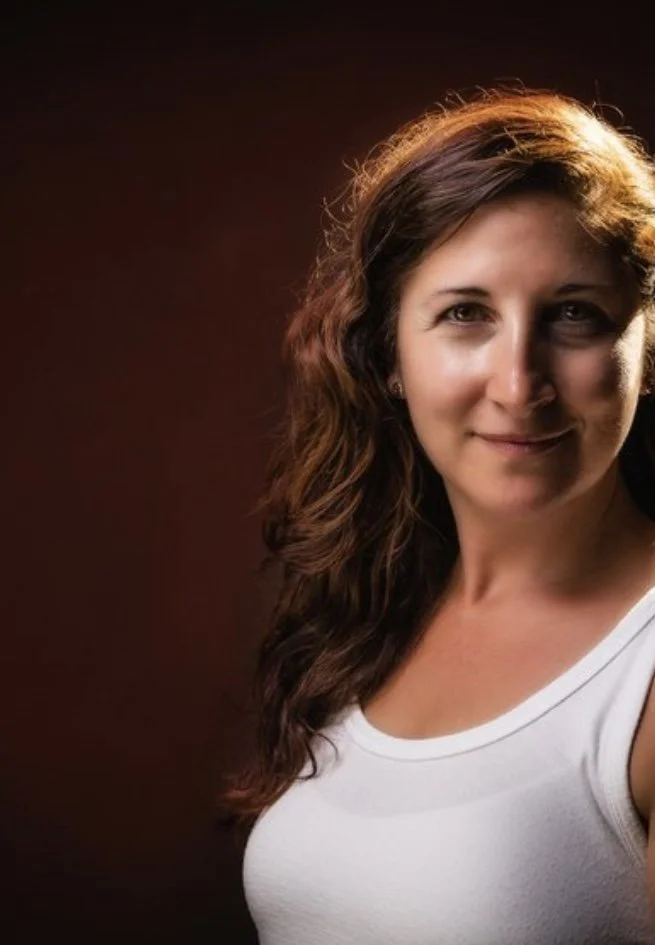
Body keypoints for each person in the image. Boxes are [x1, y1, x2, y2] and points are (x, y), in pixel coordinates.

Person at [221, 86, 655, 943]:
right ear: (388, 355)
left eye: (574, 315)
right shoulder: (372, 607)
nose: (517, 383)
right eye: (465, 314)